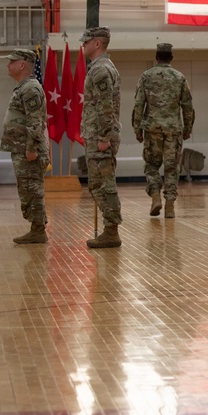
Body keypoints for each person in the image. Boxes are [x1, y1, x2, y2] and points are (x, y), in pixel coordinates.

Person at [132, 43, 195, 219]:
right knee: (171, 168)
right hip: (173, 130)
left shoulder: (146, 76)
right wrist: (188, 128)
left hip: (152, 129)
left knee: (151, 165)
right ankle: (169, 206)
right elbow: (188, 106)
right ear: (171, 58)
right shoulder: (179, 77)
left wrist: (137, 128)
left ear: (156, 56)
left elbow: (138, 104)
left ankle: (155, 196)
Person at [80, 27, 123, 249]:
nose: (83, 45)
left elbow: (106, 107)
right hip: (97, 134)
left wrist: (104, 136)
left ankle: (111, 231)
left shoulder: (100, 70)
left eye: (86, 42)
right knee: (98, 183)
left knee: (103, 184)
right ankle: (110, 229)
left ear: (97, 43)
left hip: (100, 136)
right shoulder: (101, 67)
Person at [1, 49, 49, 244]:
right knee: (27, 189)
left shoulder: (30, 89)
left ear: (22, 65)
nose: (8, 65)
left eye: (11, 61)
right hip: (21, 149)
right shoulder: (23, 88)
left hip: (28, 151)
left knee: (32, 189)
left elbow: (35, 122)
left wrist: (31, 148)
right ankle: (35, 228)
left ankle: (38, 230)